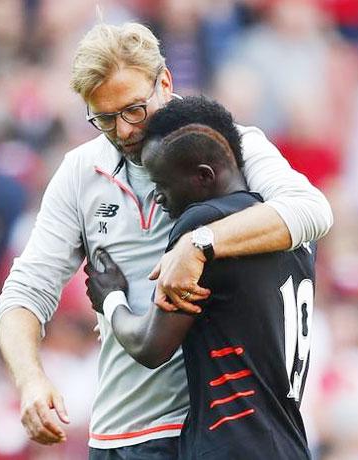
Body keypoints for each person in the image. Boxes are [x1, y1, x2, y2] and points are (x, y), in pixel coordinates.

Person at [0, 22, 331, 457]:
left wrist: (200, 244)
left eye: (134, 109)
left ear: (166, 82)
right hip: (122, 433)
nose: (124, 131)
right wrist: (30, 380)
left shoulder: (232, 147)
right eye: (104, 118)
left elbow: (312, 210)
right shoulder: (81, 172)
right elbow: (25, 290)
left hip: (212, 431)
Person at [85, 97, 315, 459]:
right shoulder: (291, 236)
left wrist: (111, 298)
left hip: (232, 446)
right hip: (289, 443)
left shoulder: (202, 224)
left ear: (204, 176)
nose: (157, 196)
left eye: (161, 182)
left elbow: (151, 346)